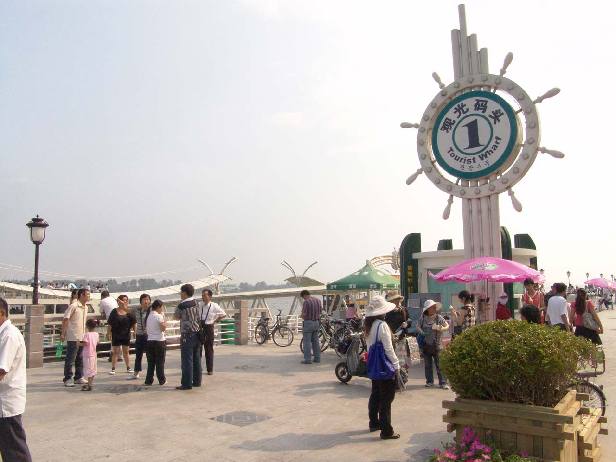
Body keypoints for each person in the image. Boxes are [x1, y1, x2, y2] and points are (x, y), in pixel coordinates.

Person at [364, 295, 401, 440]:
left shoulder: (368, 325)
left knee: (375, 394)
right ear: (382, 311)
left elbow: (369, 347)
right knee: (387, 398)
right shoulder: (382, 325)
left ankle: (374, 422)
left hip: (374, 365)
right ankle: (386, 431)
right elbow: (388, 349)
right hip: (384, 366)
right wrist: (396, 364)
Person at [0, 297, 32, 462]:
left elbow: (1, 370)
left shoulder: (9, 335)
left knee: (14, 450)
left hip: (6, 403)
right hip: (4, 402)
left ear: (1, 313)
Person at [174, 284, 202, 390]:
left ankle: (186, 383)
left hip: (187, 334)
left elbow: (176, 316)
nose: (180, 294)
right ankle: (197, 381)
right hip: (197, 332)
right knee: (196, 359)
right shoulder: (197, 302)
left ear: (185, 293)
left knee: (187, 360)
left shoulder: (182, 305)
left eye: (181, 292)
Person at [417, 299, 449, 389]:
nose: (434, 308)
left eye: (435, 307)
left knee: (440, 365)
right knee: (428, 365)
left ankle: (443, 382)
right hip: (426, 345)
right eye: (432, 307)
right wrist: (421, 332)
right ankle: (429, 381)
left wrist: (441, 329)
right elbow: (418, 326)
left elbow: (447, 325)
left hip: (437, 345)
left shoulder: (439, 317)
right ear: (428, 309)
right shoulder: (422, 318)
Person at [61, 288, 90, 387]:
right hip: (73, 336)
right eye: (87, 295)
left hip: (82, 335)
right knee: (70, 358)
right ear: (82, 295)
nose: (89, 297)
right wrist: (63, 333)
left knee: (80, 358)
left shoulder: (86, 307)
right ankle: (67, 378)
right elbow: (66, 319)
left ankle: (78, 377)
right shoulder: (73, 306)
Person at [198, 289, 227, 376]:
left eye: (205, 295)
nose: (203, 297)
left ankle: (209, 369)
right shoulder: (200, 305)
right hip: (200, 327)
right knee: (198, 349)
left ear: (210, 296)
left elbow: (223, 314)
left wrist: (215, 320)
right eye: (202, 295)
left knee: (209, 349)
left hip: (209, 327)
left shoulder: (214, 306)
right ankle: (198, 368)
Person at [107, 295, 136, 375]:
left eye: (126, 300)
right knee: (115, 352)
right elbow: (110, 323)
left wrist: (135, 332)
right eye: (123, 300)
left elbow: (134, 322)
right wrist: (108, 333)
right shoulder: (114, 311)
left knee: (126, 352)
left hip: (126, 334)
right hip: (116, 334)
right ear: (118, 302)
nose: (125, 302)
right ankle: (113, 368)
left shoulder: (129, 312)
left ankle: (128, 367)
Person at [145, 300, 167, 386]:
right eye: (162, 307)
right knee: (160, 362)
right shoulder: (159, 316)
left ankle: (149, 380)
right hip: (159, 341)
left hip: (150, 341)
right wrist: (164, 320)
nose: (162, 309)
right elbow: (163, 329)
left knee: (151, 362)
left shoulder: (149, 316)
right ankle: (162, 380)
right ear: (158, 307)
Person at [129, 293, 151, 380]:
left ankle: (150, 373)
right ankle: (136, 373)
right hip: (139, 335)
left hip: (148, 335)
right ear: (140, 301)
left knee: (150, 355)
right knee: (138, 355)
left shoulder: (151, 310)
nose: (146, 301)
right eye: (144, 299)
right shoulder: (136, 310)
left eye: (148, 299)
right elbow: (126, 310)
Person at [300, 289, 323, 365]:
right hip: (316, 322)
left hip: (308, 323)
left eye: (303, 297)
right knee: (316, 342)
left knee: (307, 342)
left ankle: (308, 359)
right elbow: (320, 312)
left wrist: (301, 316)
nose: (304, 299)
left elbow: (304, 314)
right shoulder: (318, 300)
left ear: (304, 295)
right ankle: (317, 358)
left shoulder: (306, 302)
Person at [99, 290, 119, 363]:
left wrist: (104, 312)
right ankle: (119, 356)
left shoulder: (103, 301)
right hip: (119, 317)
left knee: (112, 337)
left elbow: (101, 311)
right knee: (117, 337)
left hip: (112, 319)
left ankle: (112, 355)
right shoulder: (113, 299)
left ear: (102, 296)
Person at [80, 319, 99, 391]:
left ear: (87, 326)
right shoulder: (96, 334)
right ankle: (90, 383)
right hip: (94, 354)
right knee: (93, 369)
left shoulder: (86, 334)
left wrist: (78, 343)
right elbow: (97, 343)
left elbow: (85, 343)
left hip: (87, 354)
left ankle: (89, 385)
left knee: (88, 370)